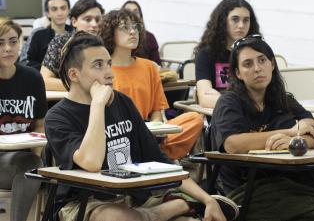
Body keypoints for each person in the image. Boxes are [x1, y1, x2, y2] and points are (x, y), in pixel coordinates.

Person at [44, 31, 239, 221]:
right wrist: (97, 105)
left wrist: (207, 199)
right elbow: (91, 162)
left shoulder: (122, 102)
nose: (109, 73)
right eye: (98, 66)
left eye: (109, 64)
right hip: (86, 203)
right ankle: (166, 211)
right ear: (74, 74)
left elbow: (158, 159)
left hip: (135, 198)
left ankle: (179, 207)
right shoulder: (57, 117)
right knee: (115, 217)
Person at [210, 35, 314, 219]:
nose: (257, 68)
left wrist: (297, 141)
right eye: (248, 64)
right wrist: (290, 132)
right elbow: (233, 144)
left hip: (297, 181)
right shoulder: (229, 102)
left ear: (272, 64)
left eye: (262, 60)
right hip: (252, 189)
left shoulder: (284, 99)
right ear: (238, 73)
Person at [99, 9, 204, 160]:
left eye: (135, 27)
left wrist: (154, 129)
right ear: (110, 33)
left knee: (195, 119)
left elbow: (156, 113)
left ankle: (152, 153)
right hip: (117, 132)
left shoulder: (149, 67)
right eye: (125, 27)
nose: (133, 32)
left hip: (147, 129)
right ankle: (156, 155)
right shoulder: (104, 70)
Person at [0, 18, 47, 221]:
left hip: (23, 158)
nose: (8, 48)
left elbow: (39, 123)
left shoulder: (33, 78)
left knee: (33, 164)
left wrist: (36, 151)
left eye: (13, 41)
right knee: (31, 166)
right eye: (0, 43)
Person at [195, 0, 261, 108]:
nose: (241, 25)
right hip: (225, 116)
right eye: (235, 19)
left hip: (255, 114)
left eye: (246, 20)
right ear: (223, 21)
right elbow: (205, 98)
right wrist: (244, 103)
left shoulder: (257, 51)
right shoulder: (206, 54)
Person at [41, 0, 104, 91]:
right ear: (74, 22)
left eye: (98, 19)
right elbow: (45, 81)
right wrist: (84, 86)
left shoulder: (105, 43)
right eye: (88, 19)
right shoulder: (61, 42)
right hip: (67, 100)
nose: (94, 24)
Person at [25, 0, 72, 70]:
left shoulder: (75, 34)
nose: (59, 13)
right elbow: (30, 62)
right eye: (54, 9)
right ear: (48, 13)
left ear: (68, 11)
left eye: (63, 8)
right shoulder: (39, 35)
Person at [122, 0, 161, 66]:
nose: (132, 14)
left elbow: (157, 64)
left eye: (135, 12)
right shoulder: (117, 36)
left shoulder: (149, 37)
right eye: (128, 11)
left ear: (141, 17)